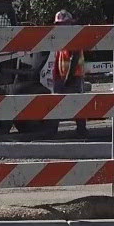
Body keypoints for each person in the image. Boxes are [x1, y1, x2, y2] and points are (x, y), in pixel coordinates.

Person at [43, 9, 88, 137]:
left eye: (64, 24)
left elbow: (75, 57)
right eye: (59, 25)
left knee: (76, 102)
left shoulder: (74, 37)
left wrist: (69, 78)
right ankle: (52, 132)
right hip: (61, 76)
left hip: (74, 76)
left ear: (70, 24)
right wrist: (56, 75)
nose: (62, 27)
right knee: (56, 103)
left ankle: (81, 130)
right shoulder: (60, 39)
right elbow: (58, 58)